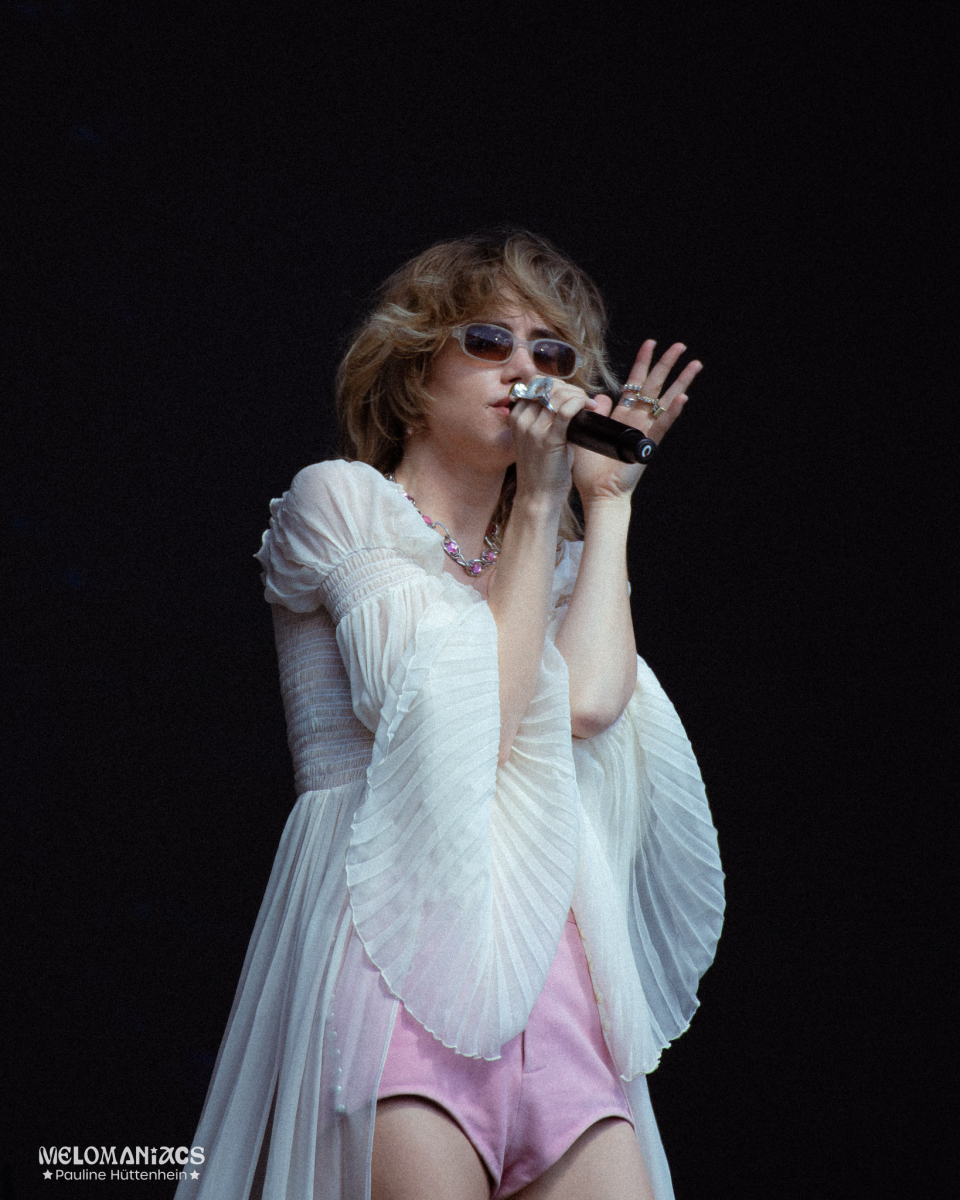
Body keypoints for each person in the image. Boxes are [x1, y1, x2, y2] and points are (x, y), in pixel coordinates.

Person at [175, 231, 724, 1200]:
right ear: (413, 368)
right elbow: (472, 731)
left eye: (552, 353)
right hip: (398, 963)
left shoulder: (555, 560)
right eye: (488, 340)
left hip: (552, 986)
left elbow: (590, 702)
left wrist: (605, 506)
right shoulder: (343, 508)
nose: (526, 370)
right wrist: (539, 507)